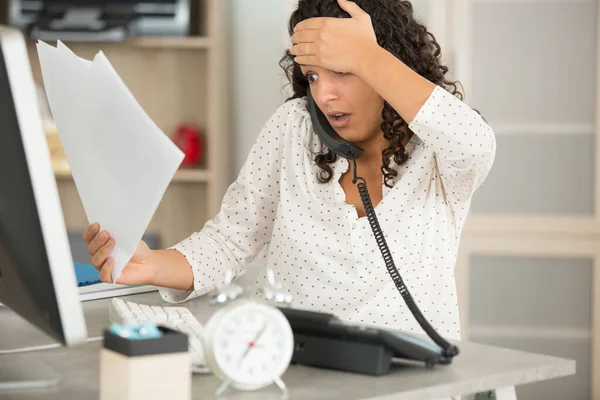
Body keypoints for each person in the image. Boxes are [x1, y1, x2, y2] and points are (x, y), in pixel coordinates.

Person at [83, 0, 495, 340]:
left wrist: (368, 56)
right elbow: (230, 241)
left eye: (343, 72)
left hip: (408, 380)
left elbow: (476, 142)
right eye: (312, 75)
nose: (324, 94)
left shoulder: (438, 152)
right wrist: (151, 265)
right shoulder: (295, 127)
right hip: (293, 369)